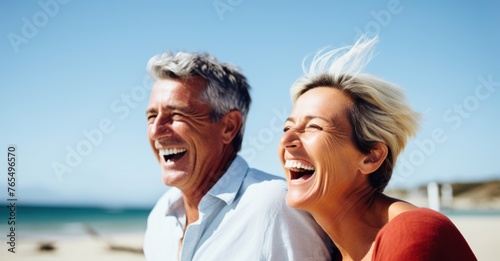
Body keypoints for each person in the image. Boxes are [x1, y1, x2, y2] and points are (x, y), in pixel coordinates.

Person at [278, 36, 477, 261]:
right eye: (287, 127)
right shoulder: (329, 253)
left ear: (371, 157)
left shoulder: (412, 232)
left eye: (314, 126)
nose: (287, 140)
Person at [143, 51, 334, 260]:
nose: (155, 131)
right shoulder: (161, 214)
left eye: (177, 114)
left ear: (229, 126)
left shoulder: (275, 206)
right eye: (152, 117)